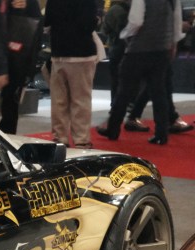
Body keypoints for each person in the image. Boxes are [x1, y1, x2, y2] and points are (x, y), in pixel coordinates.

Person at [98, 0, 184, 144]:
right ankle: (161, 134)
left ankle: (112, 129)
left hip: (138, 50)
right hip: (161, 50)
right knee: (159, 92)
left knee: (124, 91)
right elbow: (176, 25)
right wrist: (172, 44)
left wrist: (125, 35)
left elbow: (136, 22)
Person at [44, 0, 99, 148]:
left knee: (58, 100)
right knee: (80, 100)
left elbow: (47, 22)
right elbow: (89, 23)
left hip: (58, 52)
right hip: (82, 54)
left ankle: (59, 138)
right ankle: (81, 139)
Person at [0, 0, 41, 134]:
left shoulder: (29, 4)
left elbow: (35, 26)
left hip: (15, 58)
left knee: (9, 104)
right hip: (0, 55)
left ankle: (6, 138)